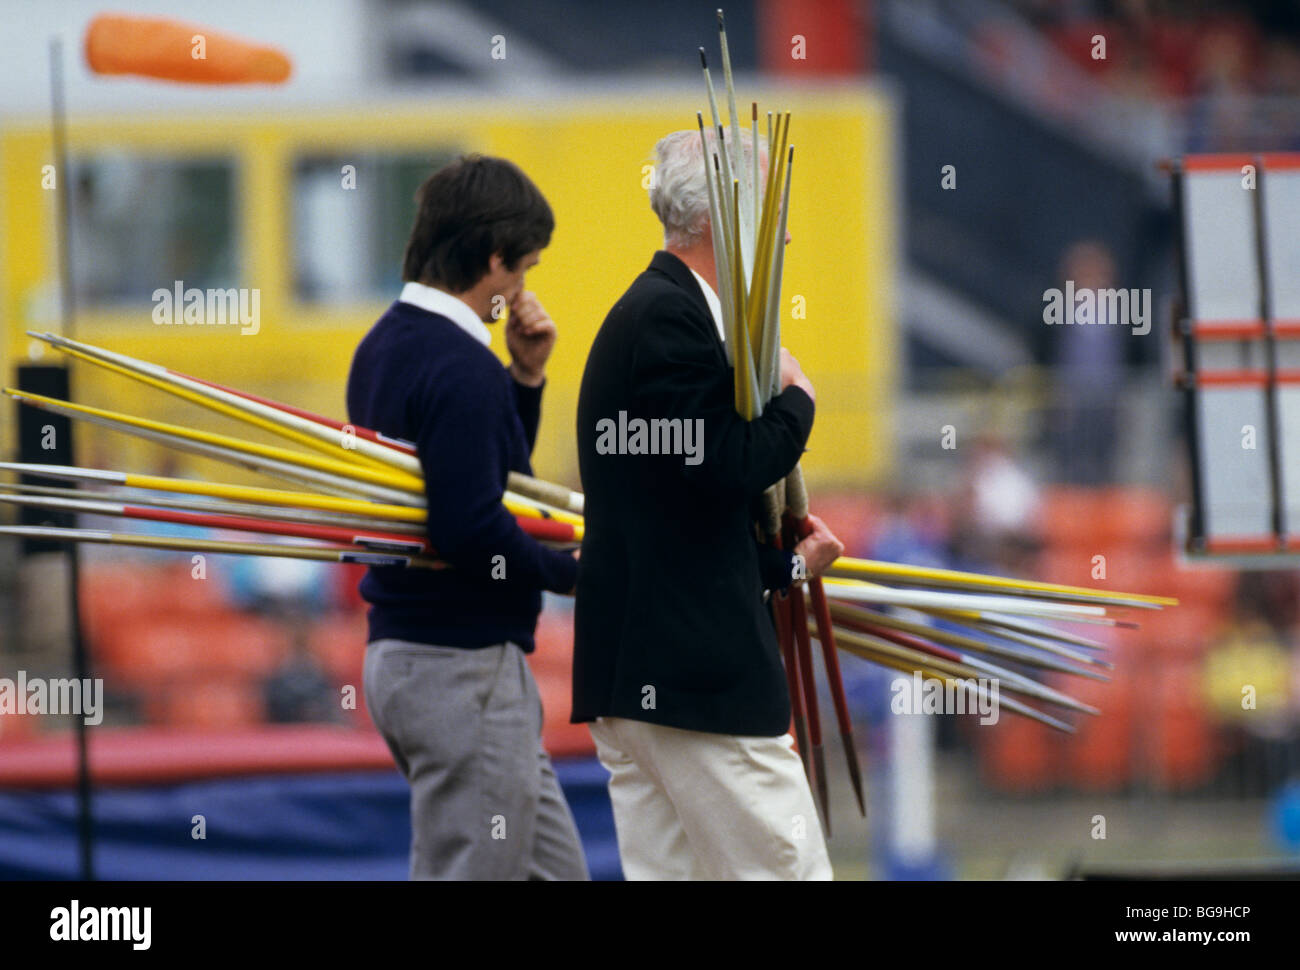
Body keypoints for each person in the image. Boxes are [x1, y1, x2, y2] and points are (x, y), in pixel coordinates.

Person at [572, 129, 844, 880]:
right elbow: (725, 463)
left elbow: (678, 515)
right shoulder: (670, 316)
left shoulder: (660, 311)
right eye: (771, 212)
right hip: (693, 685)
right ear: (724, 222)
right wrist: (798, 401)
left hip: (652, 677)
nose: (785, 231)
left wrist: (788, 565)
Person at [346, 154, 588, 880]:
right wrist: (577, 575)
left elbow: (474, 480)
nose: (523, 289)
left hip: (415, 656)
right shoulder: (459, 367)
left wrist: (525, 378)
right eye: (524, 268)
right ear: (493, 258)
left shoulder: (384, 346)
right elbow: (471, 528)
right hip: (460, 666)